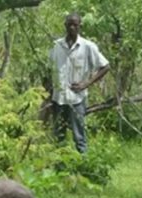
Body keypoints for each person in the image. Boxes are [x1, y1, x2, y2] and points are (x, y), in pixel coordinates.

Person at [48, 13, 109, 154]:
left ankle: (84, 167)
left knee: (79, 136)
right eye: (69, 24)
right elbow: (49, 68)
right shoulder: (57, 46)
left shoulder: (87, 46)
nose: (72, 27)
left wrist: (86, 83)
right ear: (65, 25)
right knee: (58, 135)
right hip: (58, 98)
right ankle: (59, 167)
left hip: (77, 99)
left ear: (80, 26)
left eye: (75, 24)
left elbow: (105, 66)